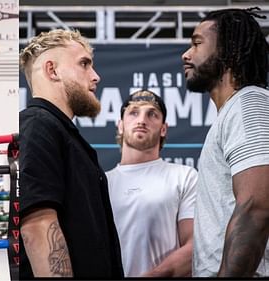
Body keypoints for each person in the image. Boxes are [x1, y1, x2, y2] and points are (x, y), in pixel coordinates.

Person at [19, 29, 123, 279]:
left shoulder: (61, 132)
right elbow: (37, 225)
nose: (96, 76)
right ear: (52, 70)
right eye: (84, 64)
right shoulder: (38, 125)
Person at [182, 7, 269, 277]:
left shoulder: (248, 103)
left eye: (197, 44)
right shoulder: (233, 111)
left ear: (228, 50)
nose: (186, 54)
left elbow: (257, 206)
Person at [106, 90, 197, 277]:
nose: (142, 120)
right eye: (134, 112)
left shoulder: (184, 176)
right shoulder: (100, 182)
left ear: (163, 129)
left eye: (152, 114)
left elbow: (195, 245)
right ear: (120, 125)